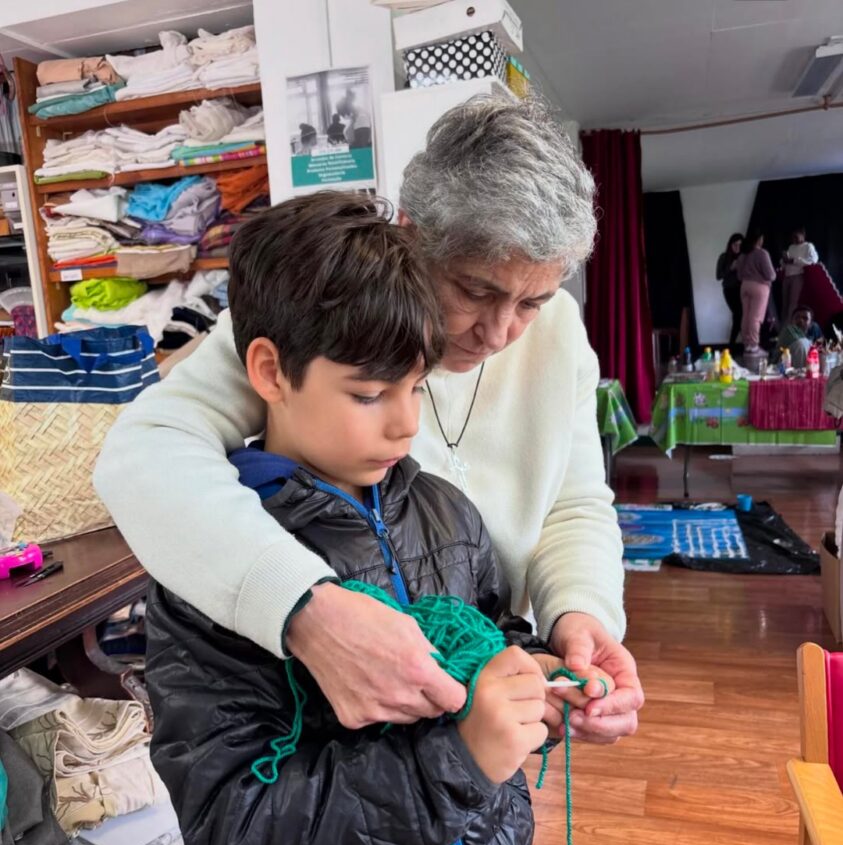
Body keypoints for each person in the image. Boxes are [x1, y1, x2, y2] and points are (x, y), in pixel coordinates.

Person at [146, 191, 614, 845]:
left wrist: (540, 680)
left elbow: (494, 631)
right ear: (269, 372)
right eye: (368, 394)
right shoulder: (216, 568)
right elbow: (232, 826)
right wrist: (459, 760)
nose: (404, 425)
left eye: (416, 387)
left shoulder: (443, 510)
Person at [94, 95, 643, 746]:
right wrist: (302, 607)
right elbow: (144, 452)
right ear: (412, 232)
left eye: (532, 302)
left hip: (484, 685)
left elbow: (572, 503)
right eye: (475, 291)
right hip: (343, 722)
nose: (500, 333)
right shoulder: (323, 311)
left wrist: (579, 614)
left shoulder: (559, 336)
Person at [736, 230, 776, 354]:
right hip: (759, 287)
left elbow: (739, 276)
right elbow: (771, 275)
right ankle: (754, 345)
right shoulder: (762, 253)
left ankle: (747, 344)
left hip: (744, 286)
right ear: (758, 239)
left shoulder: (742, 255)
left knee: (746, 316)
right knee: (755, 317)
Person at [782, 227, 819, 324]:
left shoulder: (808, 246)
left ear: (802, 235)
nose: (794, 239)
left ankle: (789, 326)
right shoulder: (791, 247)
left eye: (796, 236)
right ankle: (782, 326)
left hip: (798, 276)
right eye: (792, 237)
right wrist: (784, 260)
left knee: (793, 303)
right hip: (787, 275)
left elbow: (813, 261)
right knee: (784, 303)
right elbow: (785, 262)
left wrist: (795, 260)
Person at [775, 305, 824, 369]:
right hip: (779, 368)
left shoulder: (814, 329)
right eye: (797, 317)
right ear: (791, 321)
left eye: (805, 318)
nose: (800, 320)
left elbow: (822, 347)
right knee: (801, 344)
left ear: (811, 324)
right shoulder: (788, 331)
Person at [716, 233, 743, 346]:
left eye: (740, 245)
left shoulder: (744, 257)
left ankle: (735, 345)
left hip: (743, 290)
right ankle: (733, 345)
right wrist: (731, 268)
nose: (737, 247)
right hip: (729, 290)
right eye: (735, 244)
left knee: (740, 316)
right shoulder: (724, 257)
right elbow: (718, 276)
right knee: (738, 314)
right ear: (730, 245)